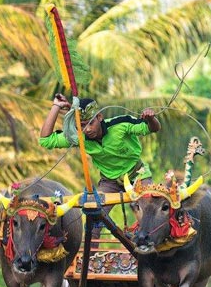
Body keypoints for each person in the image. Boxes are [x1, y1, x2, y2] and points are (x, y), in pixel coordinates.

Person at [39, 94, 160, 239]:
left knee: (152, 212)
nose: (87, 129)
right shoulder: (78, 137)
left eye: (90, 123)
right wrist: (56, 107)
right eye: (82, 125)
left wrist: (151, 119)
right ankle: (90, 253)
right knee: (93, 220)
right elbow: (45, 140)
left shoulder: (120, 124)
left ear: (99, 117)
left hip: (138, 175)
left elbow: (153, 128)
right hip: (110, 181)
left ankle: (151, 247)